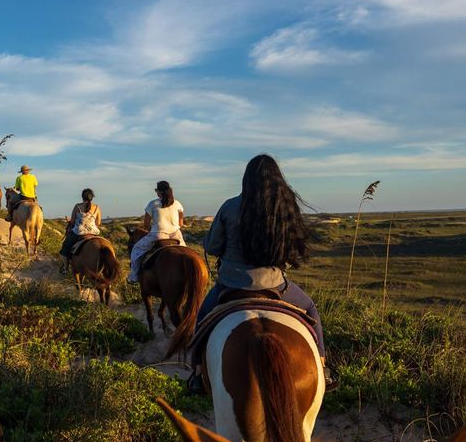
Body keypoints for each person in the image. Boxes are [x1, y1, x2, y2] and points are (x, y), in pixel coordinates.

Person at [187, 154, 332, 394]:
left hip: (230, 285)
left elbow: (212, 247)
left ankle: (197, 372)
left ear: (246, 179)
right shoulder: (283, 206)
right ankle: (324, 367)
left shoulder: (229, 206)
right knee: (309, 308)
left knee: (202, 316)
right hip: (275, 284)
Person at [127, 181, 185, 283]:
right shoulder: (178, 204)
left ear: (159, 191)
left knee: (136, 249)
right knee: (186, 253)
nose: (156, 192)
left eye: (156, 190)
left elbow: (146, 224)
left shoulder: (152, 204)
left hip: (158, 235)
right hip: (176, 235)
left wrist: (152, 230)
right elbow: (180, 223)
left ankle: (134, 276)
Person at [59, 189, 101, 273]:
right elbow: (98, 223)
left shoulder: (77, 206)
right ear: (92, 197)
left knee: (65, 248)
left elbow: (73, 222)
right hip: (93, 232)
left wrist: (69, 221)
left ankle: (65, 268)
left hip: (79, 232)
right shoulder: (97, 207)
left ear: (82, 197)